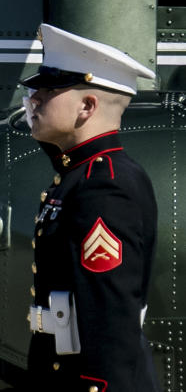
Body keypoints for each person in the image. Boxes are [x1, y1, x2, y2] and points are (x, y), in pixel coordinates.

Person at [21, 23, 159, 392]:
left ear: (87, 105)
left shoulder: (105, 184)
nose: (33, 99)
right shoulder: (79, 175)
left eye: (48, 90)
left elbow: (109, 315)